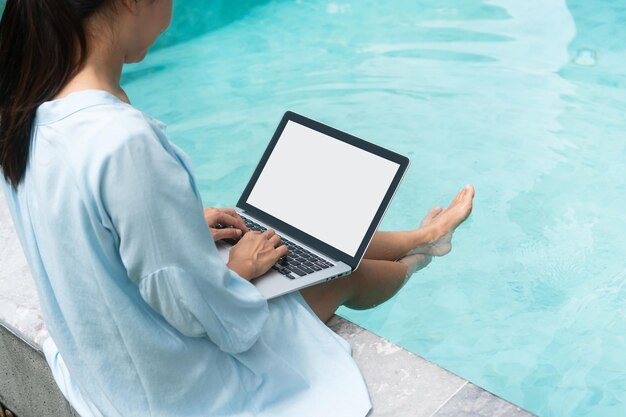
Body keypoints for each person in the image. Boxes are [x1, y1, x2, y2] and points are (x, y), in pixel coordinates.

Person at [0, 1, 475, 416]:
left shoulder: (31, 112)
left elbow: (85, 236)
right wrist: (239, 271)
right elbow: (192, 309)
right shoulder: (122, 142)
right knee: (341, 273)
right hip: (170, 389)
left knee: (291, 235)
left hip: (104, 365)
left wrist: (178, 232)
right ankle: (420, 257)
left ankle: (418, 236)